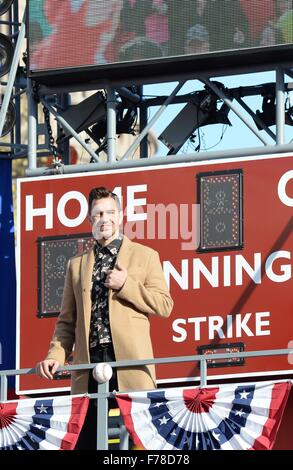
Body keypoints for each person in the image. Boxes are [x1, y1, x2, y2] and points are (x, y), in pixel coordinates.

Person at [36, 186, 173, 449]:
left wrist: (126, 284)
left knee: (139, 442)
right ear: (90, 220)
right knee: (87, 440)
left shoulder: (145, 255)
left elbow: (164, 305)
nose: (104, 219)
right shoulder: (76, 265)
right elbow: (67, 321)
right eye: (98, 214)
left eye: (110, 212)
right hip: (88, 366)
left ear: (121, 217)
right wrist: (55, 356)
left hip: (131, 365)